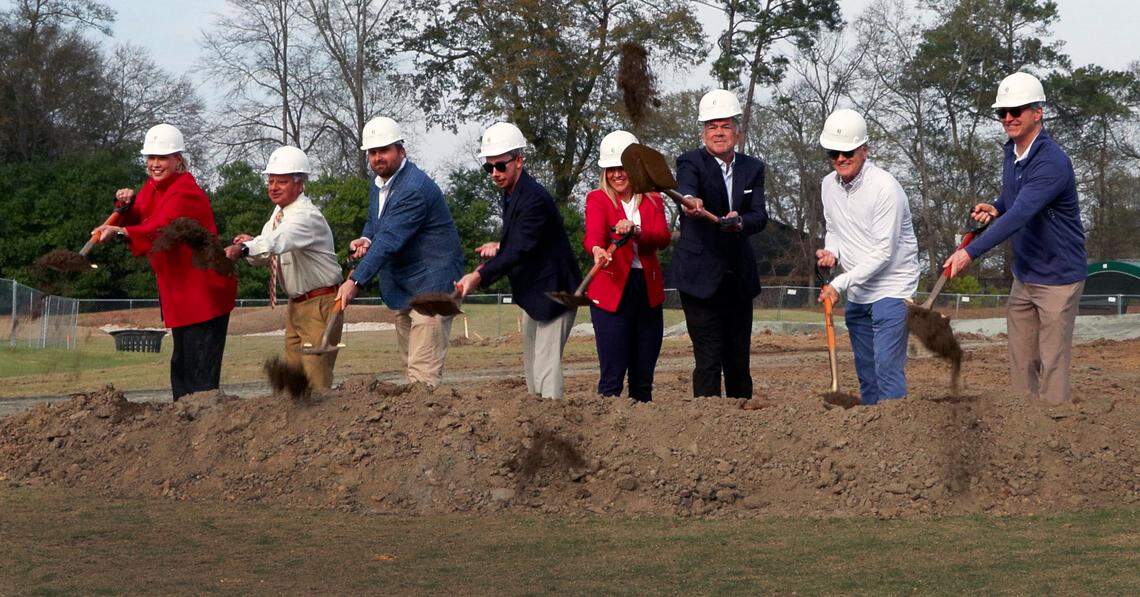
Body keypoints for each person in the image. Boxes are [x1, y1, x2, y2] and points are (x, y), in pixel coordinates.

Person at [943, 72, 1087, 405]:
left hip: (1058, 278)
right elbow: (1013, 201)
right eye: (1002, 112)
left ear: (1038, 112)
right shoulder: (1013, 152)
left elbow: (1022, 214)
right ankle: (1024, 426)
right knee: (1022, 360)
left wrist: (970, 253)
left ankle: (1054, 427)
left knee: (1052, 361)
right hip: (1025, 273)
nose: (1008, 118)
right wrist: (995, 207)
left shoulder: (1052, 161)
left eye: (1017, 110)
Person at [92, 123, 237, 400]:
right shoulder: (153, 188)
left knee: (199, 374)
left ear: (177, 160)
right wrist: (123, 208)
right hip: (182, 294)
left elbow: (159, 227)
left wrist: (120, 231)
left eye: (162, 158)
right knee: (181, 367)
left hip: (204, 295)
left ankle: (203, 431)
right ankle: (183, 429)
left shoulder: (185, 192)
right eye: (151, 158)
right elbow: (140, 216)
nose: (155, 164)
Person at [454, 122, 582, 399]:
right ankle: (537, 418)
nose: (495, 174)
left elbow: (520, 249)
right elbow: (526, 241)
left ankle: (552, 422)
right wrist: (500, 247)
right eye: (489, 168)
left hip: (555, 293)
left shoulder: (534, 197)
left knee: (546, 367)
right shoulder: (512, 193)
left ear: (519, 161)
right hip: (534, 294)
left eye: (501, 166)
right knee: (532, 368)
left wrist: (479, 276)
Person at [334, 117, 464, 387]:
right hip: (405, 285)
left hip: (433, 287)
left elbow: (390, 239)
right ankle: (418, 423)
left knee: (422, 373)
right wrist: (366, 237)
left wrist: (355, 280)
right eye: (372, 152)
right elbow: (377, 223)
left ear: (401, 150)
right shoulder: (380, 184)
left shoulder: (413, 188)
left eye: (384, 150)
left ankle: (429, 425)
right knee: (410, 367)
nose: (377, 158)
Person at [815, 109, 920, 406]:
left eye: (847, 151)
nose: (840, 159)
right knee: (866, 371)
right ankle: (871, 436)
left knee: (886, 367)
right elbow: (834, 228)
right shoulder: (827, 186)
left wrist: (840, 284)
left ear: (864, 150)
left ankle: (895, 435)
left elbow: (884, 252)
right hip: (858, 290)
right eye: (833, 153)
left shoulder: (886, 188)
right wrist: (831, 252)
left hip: (892, 286)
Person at [671, 89, 768, 398]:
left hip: (737, 278)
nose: (718, 133)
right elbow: (687, 189)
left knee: (738, 360)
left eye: (725, 126)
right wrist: (691, 201)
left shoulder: (753, 168)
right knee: (708, 359)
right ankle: (708, 424)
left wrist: (740, 221)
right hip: (700, 279)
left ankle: (742, 424)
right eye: (712, 127)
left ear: (737, 133)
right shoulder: (690, 162)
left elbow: (760, 216)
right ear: (703, 133)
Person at [224, 146, 343, 389]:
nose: (273, 187)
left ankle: (320, 426)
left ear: (300, 184)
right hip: (297, 304)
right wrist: (249, 245)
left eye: (282, 181)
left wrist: (246, 248)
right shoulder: (279, 213)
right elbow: (267, 251)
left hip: (319, 304)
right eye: (271, 180)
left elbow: (277, 241)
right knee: (293, 379)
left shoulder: (305, 216)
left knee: (314, 381)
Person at [584, 131, 671, 402]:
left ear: (634, 169)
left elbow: (662, 238)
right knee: (612, 374)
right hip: (612, 290)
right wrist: (598, 250)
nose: (617, 175)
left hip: (646, 290)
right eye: (611, 169)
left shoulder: (654, 199)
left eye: (622, 168)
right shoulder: (597, 199)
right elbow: (593, 237)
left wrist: (636, 231)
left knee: (643, 375)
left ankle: (640, 430)